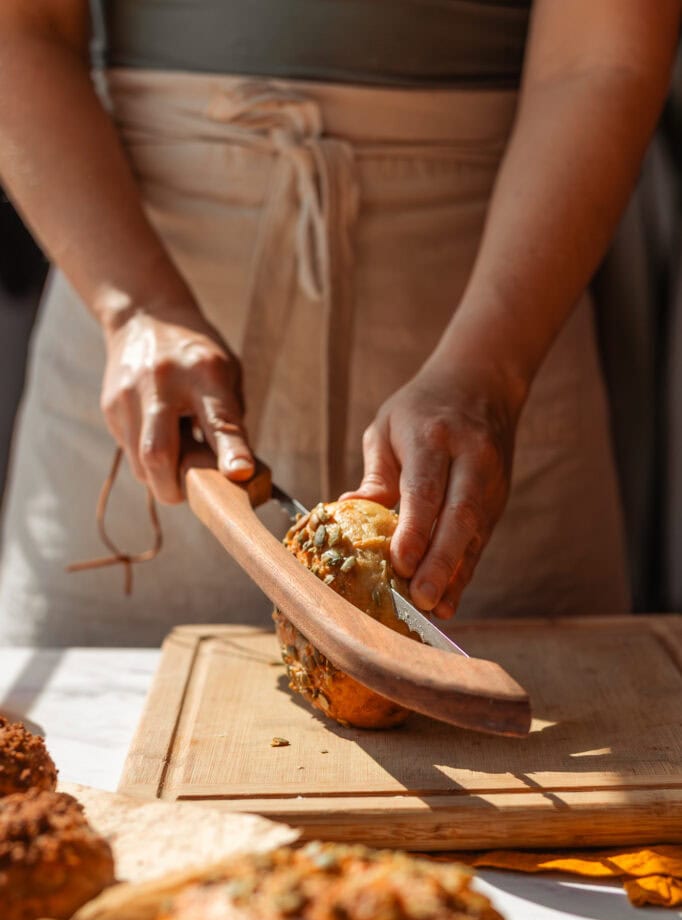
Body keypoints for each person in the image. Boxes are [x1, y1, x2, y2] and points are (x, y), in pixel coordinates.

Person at [0, 1, 678, 646]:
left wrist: (489, 372)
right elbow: (19, 29)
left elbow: (601, 58)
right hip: (132, 313)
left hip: (497, 318)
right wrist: (137, 307)